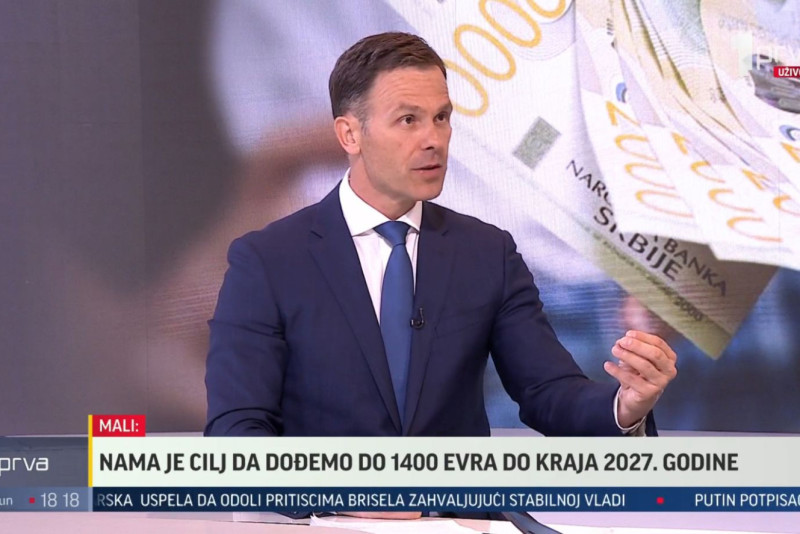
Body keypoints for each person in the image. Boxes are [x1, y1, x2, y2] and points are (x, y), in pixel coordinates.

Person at [204, 32, 677, 439]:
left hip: (457, 509)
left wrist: (625, 406)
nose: (434, 139)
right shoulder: (267, 261)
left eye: (442, 117)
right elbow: (237, 427)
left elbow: (548, 393)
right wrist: (340, 497)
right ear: (349, 135)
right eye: (408, 120)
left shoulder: (487, 253)